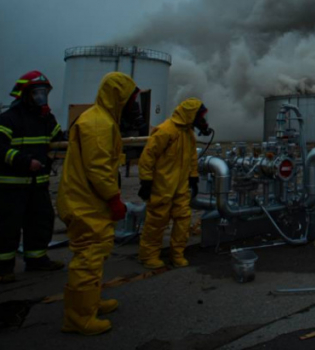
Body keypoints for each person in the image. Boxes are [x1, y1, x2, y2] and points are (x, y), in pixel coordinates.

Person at [57, 72, 143, 335]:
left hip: (90, 200)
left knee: (96, 255)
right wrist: (113, 198)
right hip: (86, 202)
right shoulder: (98, 124)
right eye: (133, 101)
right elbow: (98, 168)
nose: (136, 107)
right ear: (119, 98)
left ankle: (90, 303)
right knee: (88, 258)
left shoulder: (103, 120)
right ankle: (79, 318)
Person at [0, 71, 64, 283]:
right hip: (10, 187)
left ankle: (36, 260)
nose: (41, 97)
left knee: (41, 222)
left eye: (44, 92)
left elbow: (60, 140)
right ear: (24, 94)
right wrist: (24, 161)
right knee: (8, 228)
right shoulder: (8, 118)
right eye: (37, 93)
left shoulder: (46, 119)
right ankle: (2, 269)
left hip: (37, 185)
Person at [137, 98, 212, 270]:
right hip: (162, 186)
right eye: (199, 116)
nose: (202, 120)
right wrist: (146, 181)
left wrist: (193, 177)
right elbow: (147, 157)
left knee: (183, 219)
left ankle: (177, 254)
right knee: (157, 221)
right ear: (190, 115)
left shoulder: (188, 134)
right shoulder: (165, 131)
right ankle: (148, 256)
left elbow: (192, 157)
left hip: (180, 186)